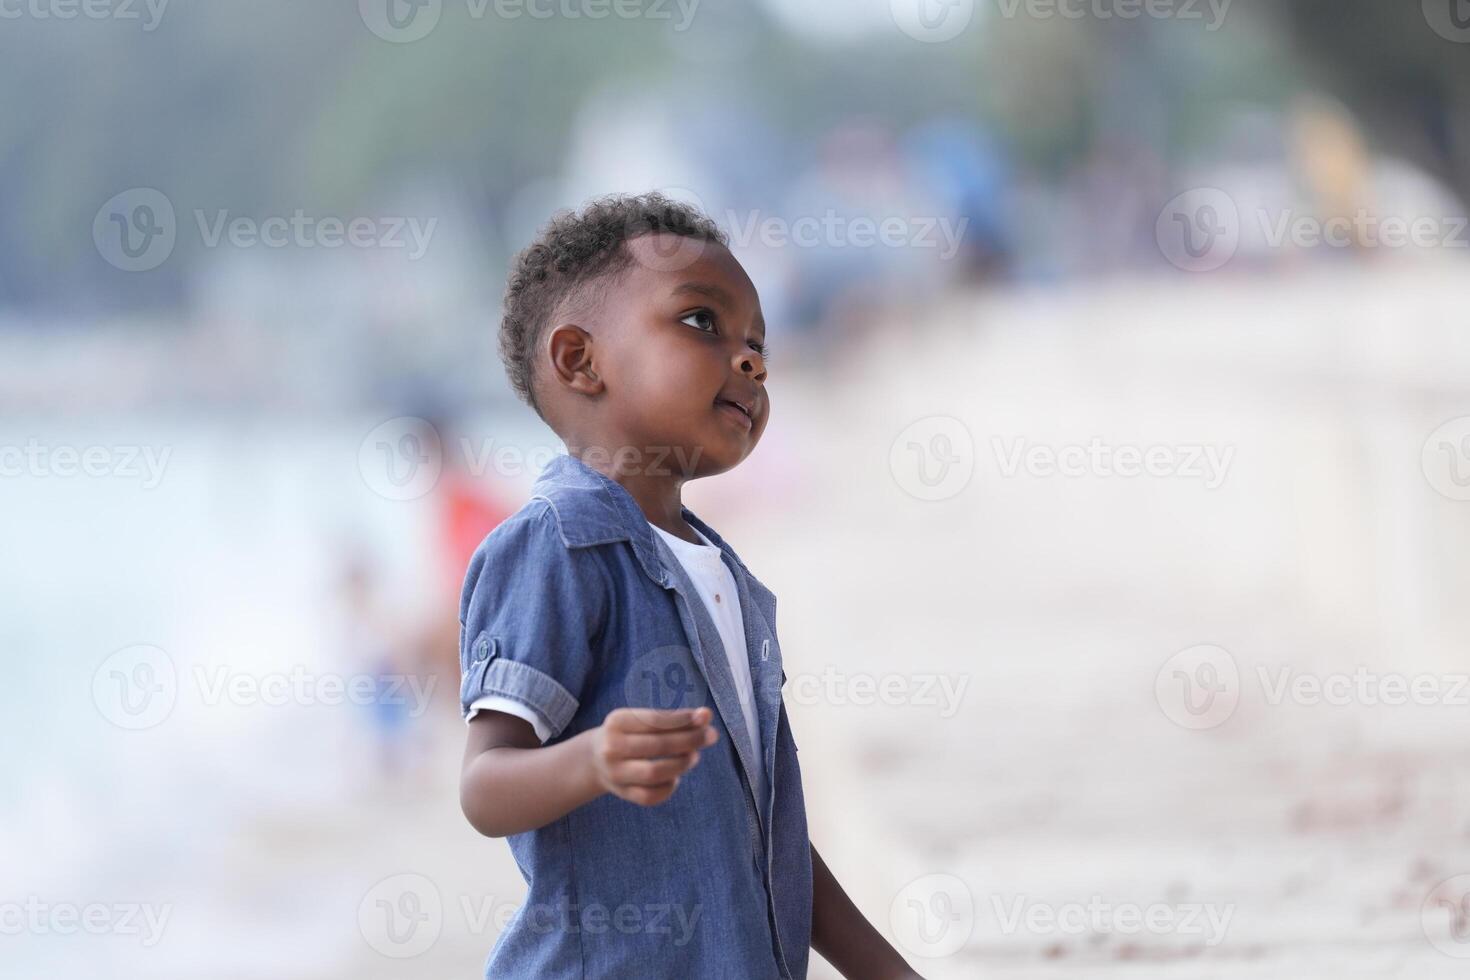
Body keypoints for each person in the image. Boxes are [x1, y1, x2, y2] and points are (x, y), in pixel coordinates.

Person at [457, 193, 922, 978]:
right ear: (579, 361)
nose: (751, 361)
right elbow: (484, 786)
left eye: (758, 344)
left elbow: (769, 838)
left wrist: (888, 970)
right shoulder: (554, 546)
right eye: (703, 322)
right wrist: (593, 760)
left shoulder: (725, 575)